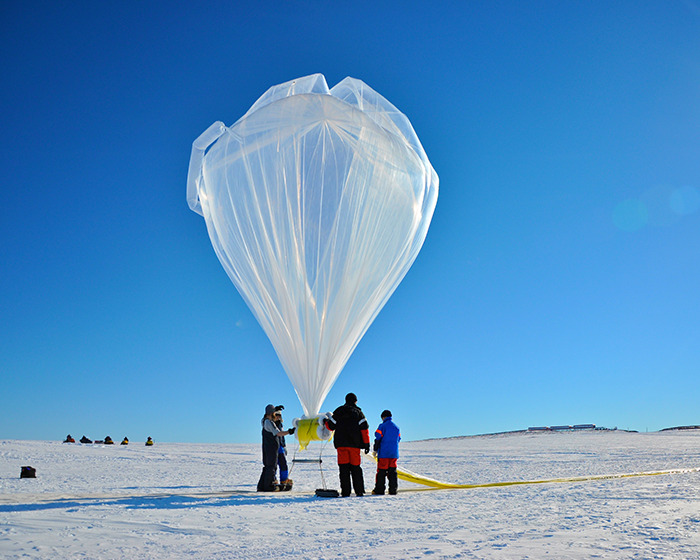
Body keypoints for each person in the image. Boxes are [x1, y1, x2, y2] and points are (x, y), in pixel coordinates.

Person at [324, 393, 370, 497]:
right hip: (354, 446)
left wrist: (326, 421)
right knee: (356, 468)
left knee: (344, 468)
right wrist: (366, 444)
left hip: (341, 446)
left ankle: (346, 492)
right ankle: (359, 491)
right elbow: (364, 430)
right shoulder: (359, 413)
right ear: (355, 401)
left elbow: (330, 426)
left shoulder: (339, 411)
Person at [257, 404, 295, 492]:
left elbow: (275, 421)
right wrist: (289, 432)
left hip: (267, 447)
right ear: (271, 413)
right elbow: (278, 433)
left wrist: (275, 409)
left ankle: (261, 485)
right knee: (271, 466)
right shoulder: (269, 422)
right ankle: (268, 486)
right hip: (271, 448)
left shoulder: (265, 421)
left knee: (267, 466)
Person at [371, 410, 401, 495]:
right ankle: (393, 490)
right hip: (394, 454)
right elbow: (398, 439)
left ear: (383, 417)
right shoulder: (397, 427)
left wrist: (375, 449)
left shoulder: (382, 426)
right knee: (392, 472)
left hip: (384, 453)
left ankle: (379, 490)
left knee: (381, 472)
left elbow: (378, 437)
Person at [273, 406, 293, 490]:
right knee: (273, 464)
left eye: (279, 415)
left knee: (283, 463)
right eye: (276, 414)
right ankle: (273, 479)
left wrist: (284, 446)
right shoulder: (272, 424)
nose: (278, 417)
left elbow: (282, 437)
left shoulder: (279, 424)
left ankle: (284, 480)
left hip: (280, 446)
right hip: (274, 446)